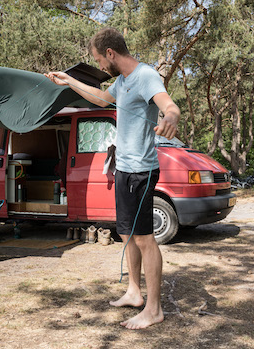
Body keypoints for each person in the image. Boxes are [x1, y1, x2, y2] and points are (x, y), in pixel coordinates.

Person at [46, 27, 180, 329]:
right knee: (127, 234)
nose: (100, 66)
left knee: (145, 239)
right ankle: (134, 291)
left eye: (99, 59)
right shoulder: (122, 82)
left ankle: (154, 309)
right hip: (124, 168)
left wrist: (171, 117)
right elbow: (101, 100)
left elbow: (168, 105)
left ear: (110, 53)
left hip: (141, 171)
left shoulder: (146, 76)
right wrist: (69, 81)